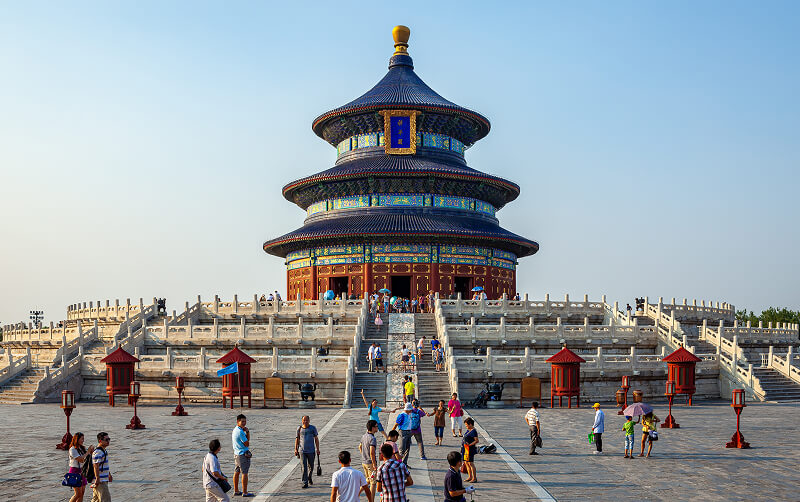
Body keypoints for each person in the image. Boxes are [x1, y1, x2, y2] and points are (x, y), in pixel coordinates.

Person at [68, 432, 95, 502]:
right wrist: (88, 452)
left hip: (82, 471)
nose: (83, 440)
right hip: (74, 471)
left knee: (82, 493)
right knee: (78, 494)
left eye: (83, 439)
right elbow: (81, 459)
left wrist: (91, 452)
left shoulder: (82, 448)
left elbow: (86, 458)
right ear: (77, 439)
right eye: (82, 439)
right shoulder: (72, 449)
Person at [295, 415, 320, 488]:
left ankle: (309, 477)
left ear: (309, 421)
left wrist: (317, 449)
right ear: (302, 421)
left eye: (307, 420)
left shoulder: (313, 428)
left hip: (311, 450)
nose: (305, 421)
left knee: (311, 466)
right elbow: (297, 439)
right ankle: (304, 482)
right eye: (304, 420)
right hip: (302, 450)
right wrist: (295, 449)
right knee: (304, 467)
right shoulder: (299, 429)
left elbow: (316, 439)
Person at [232, 414, 253, 497]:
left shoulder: (235, 429)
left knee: (237, 471)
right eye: (242, 421)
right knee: (244, 473)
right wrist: (247, 432)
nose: (244, 423)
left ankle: (236, 490)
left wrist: (246, 431)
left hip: (236, 454)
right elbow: (247, 443)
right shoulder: (240, 432)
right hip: (242, 455)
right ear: (238, 421)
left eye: (245, 421)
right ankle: (245, 492)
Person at [358, 420, 379, 497]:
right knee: (373, 483)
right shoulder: (372, 438)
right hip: (370, 463)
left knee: (368, 480)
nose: (377, 428)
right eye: (376, 426)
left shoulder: (364, 436)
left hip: (364, 462)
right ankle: (371, 499)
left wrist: (363, 455)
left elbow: (359, 446)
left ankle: (357, 493)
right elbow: (372, 453)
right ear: (373, 428)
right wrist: (374, 465)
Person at [90, 432, 112, 502]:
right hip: (100, 481)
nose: (108, 441)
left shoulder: (104, 451)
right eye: (106, 440)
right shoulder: (98, 452)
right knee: (106, 500)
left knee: (96, 500)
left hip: (102, 479)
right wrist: (97, 478)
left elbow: (102, 465)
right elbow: (95, 466)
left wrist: (109, 474)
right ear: (100, 441)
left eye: (109, 439)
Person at [461, 418, 479, 483]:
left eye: (466, 425)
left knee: (471, 463)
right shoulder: (468, 430)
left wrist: (470, 445)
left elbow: (476, 440)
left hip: (470, 449)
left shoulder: (474, 431)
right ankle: (470, 476)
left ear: (470, 424)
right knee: (466, 463)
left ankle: (474, 478)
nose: (466, 426)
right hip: (465, 449)